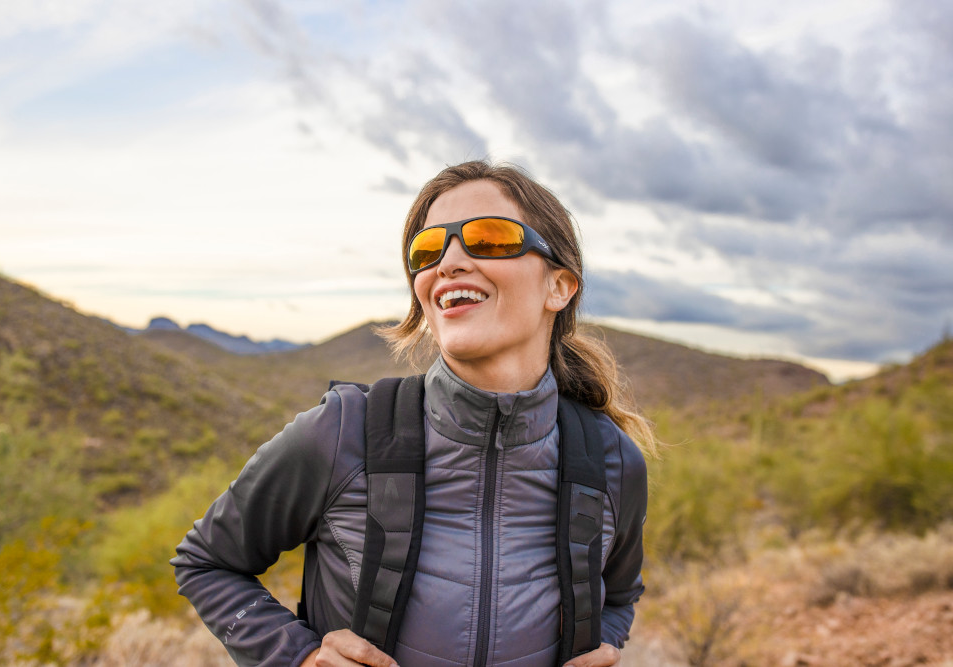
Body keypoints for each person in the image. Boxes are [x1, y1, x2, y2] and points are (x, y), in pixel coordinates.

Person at [172, 160, 657, 667]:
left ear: (559, 286)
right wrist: (300, 657)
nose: (448, 262)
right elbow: (207, 562)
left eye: (489, 239)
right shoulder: (344, 433)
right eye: (427, 251)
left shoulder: (612, 461)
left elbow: (619, 597)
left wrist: (599, 643)